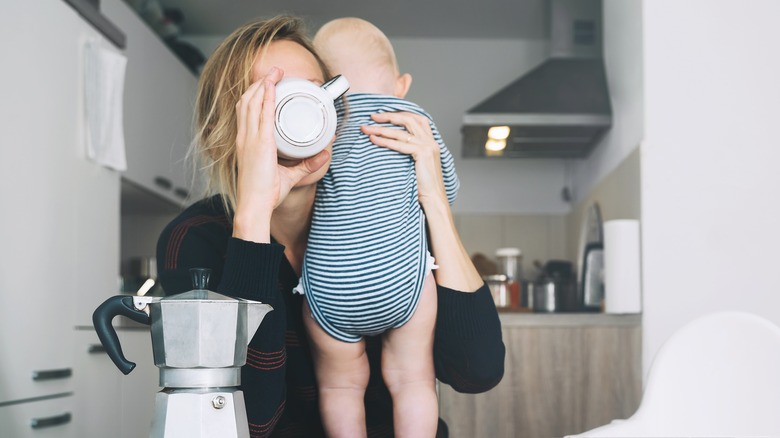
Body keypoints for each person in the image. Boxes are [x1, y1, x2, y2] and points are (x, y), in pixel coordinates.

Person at [156, 15, 505, 438]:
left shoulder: (386, 212)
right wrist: (253, 215)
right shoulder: (193, 239)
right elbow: (249, 421)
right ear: (221, 135)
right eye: (272, 100)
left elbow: (477, 372)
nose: (303, 113)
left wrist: (434, 201)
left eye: (314, 94)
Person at [295, 17, 458, 437]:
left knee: (340, 385)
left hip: (332, 285)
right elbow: (446, 190)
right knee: (414, 380)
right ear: (401, 83)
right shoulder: (412, 118)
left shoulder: (322, 122)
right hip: (399, 279)